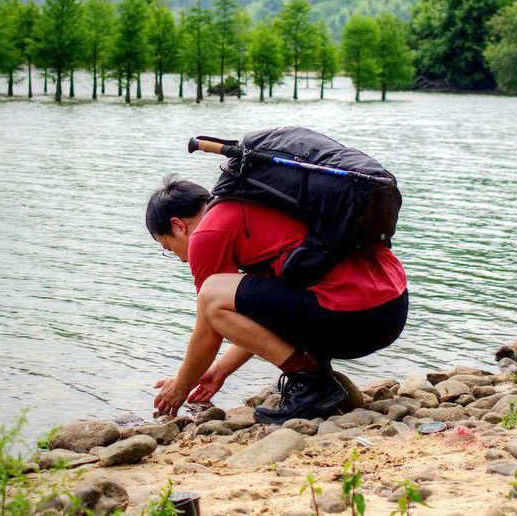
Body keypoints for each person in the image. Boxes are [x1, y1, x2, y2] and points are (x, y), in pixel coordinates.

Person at [146, 176, 408, 423]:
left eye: (168, 247)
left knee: (212, 294)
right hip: (390, 309)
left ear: (178, 225)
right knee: (232, 296)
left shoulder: (207, 235)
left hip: (357, 318)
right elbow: (259, 320)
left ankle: (312, 384)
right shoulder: (253, 207)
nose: (181, 258)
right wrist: (219, 371)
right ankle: (315, 379)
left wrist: (180, 387)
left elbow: (209, 327)